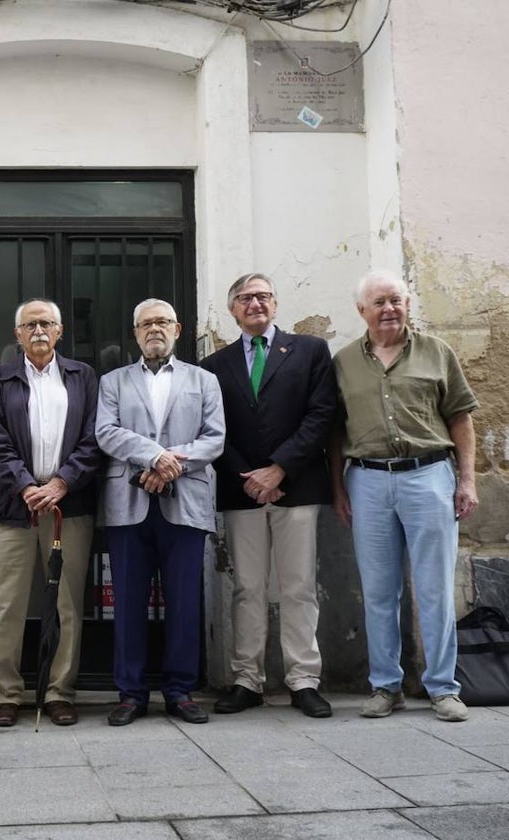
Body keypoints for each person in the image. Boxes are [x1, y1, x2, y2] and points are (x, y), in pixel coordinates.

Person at [330, 269, 478, 723]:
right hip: (368, 480)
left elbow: (461, 418)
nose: (389, 309)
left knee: (434, 587)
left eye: (396, 300)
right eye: (379, 302)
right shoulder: (343, 362)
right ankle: (385, 686)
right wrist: (338, 489)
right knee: (378, 591)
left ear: (408, 304)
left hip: (429, 475)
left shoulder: (437, 352)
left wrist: (467, 479)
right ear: (362, 311)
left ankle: (442, 687)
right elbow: (334, 433)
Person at [201, 273, 336, 718]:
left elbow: (321, 415)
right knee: (247, 588)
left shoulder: (310, 351)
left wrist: (280, 468)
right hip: (244, 493)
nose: (254, 303)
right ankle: (247, 679)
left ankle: (303, 679)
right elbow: (214, 430)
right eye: (244, 298)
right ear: (232, 309)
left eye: (262, 296)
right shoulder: (214, 366)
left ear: (275, 303)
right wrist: (250, 477)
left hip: (296, 487)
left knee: (298, 586)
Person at [96, 299, 224, 726]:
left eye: (162, 322)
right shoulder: (113, 381)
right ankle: (130, 692)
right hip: (128, 505)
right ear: (135, 333)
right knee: (128, 604)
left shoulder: (204, 381)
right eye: (146, 323)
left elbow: (214, 439)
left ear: (178, 328)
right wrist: (155, 458)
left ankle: (180, 690)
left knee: (185, 601)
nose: (155, 329)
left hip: (185, 502)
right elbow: (107, 432)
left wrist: (170, 464)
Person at [0, 298, 102, 728]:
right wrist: (27, 485)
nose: (38, 331)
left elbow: (94, 438)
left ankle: (59, 692)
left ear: (60, 331)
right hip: (13, 508)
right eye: (29, 325)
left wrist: (61, 482)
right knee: (4, 603)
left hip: (68, 506)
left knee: (67, 603)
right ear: (17, 334)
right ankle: (6, 693)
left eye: (46, 323)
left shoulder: (83, 376)